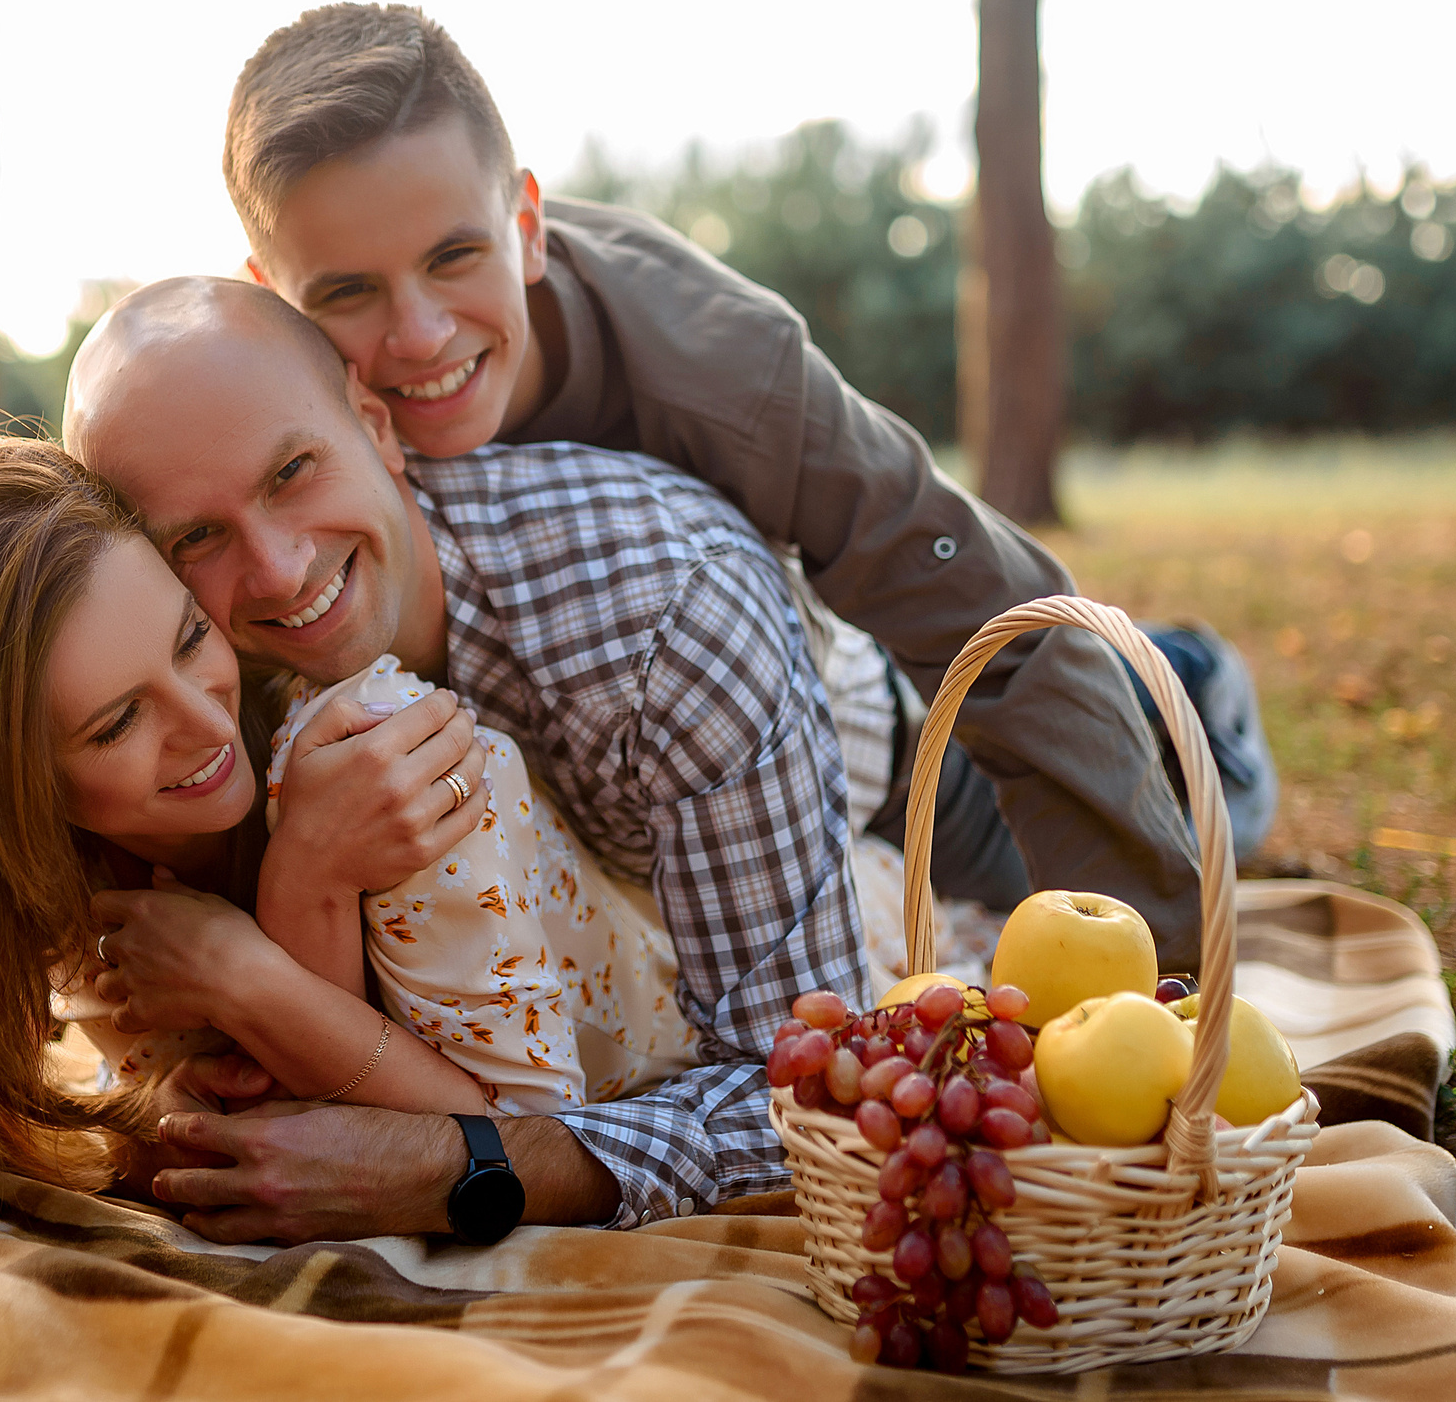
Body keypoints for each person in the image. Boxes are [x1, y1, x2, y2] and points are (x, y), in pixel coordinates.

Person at [219, 4, 1282, 966]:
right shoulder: (245, 417)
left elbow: (994, 617)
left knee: (1067, 835)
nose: (419, 333)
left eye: (455, 257)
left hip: (893, 744)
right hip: (634, 794)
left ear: (527, 228)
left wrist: (1172, 978)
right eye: (348, 291)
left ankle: (1196, 690)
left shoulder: (726, 369)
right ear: (270, 296)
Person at [62, 276, 873, 1239]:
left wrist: (461, 1167)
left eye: (292, 473)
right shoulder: (183, 684)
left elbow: (807, 1086)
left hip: (880, 759)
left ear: (376, 422)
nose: (279, 569)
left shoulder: (668, 616)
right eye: (196, 536)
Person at [0, 436, 695, 1228]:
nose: (210, 727)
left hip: (663, 1058)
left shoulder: (378, 760)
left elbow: (532, 1132)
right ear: (6, 798)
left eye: (187, 640)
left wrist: (272, 938)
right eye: (116, 723)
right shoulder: (71, 887)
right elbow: (266, 1154)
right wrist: (150, 1123)